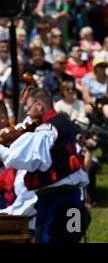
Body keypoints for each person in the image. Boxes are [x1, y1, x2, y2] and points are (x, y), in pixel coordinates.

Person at [0, 88, 89, 242]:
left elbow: (23, 158)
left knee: (52, 238)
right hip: (68, 194)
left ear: (40, 105)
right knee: (65, 238)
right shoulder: (62, 122)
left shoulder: (46, 128)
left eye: (29, 108)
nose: (27, 113)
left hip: (58, 197)